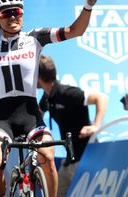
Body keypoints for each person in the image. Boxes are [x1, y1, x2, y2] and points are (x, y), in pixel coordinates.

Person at [0, 0, 99, 197]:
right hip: (2, 117)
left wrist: (88, 6)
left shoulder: (35, 38)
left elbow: (75, 30)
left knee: (47, 156)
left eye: (17, 11)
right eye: (5, 13)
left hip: (30, 115)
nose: (13, 17)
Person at [37, 55, 108, 196]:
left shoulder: (67, 93)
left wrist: (95, 126)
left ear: (37, 77)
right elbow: (38, 114)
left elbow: (101, 98)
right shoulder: (47, 96)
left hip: (85, 160)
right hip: (69, 162)